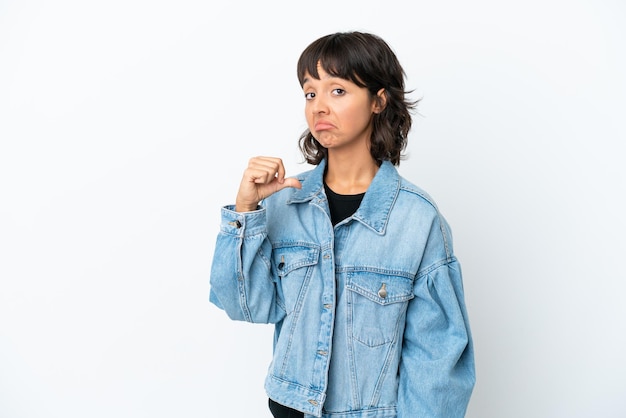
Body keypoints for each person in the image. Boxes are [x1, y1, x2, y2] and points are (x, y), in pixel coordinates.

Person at [209, 31, 475, 418]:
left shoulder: (416, 220)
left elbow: (438, 361)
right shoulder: (284, 201)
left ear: (379, 101)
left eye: (338, 91)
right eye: (310, 93)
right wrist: (246, 210)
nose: (319, 107)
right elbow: (246, 306)